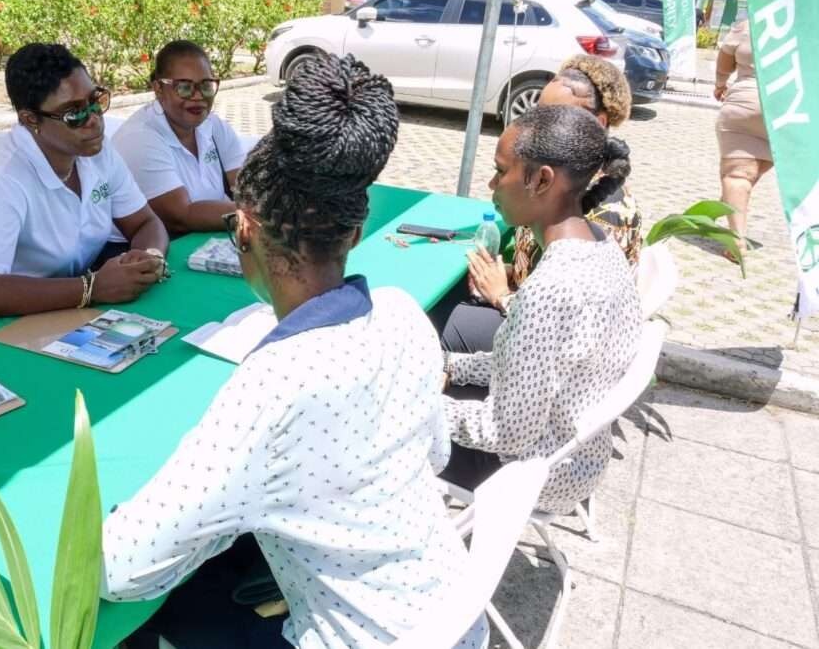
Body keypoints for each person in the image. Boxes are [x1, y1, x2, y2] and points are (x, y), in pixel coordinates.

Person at [103, 53, 486, 649]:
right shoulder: (404, 316)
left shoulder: (274, 386)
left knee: (153, 619)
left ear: (244, 230)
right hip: (457, 622)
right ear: (356, 232)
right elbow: (436, 454)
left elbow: (122, 569)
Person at [439, 105, 643, 516]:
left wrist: (413, 402)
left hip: (532, 475)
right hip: (576, 457)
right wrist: (453, 368)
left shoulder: (549, 289)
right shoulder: (601, 244)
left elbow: (505, 432)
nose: (492, 183)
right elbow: (532, 367)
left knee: (376, 423)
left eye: (501, 171)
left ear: (541, 180)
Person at [432, 54, 641, 355]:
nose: (536, 124)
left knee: (430, 323)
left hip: (536, 336)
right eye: (538, 111)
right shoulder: (559, 193)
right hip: (525, 313)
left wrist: (502, 295)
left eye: (554, 114)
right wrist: (500, 272)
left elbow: (572, 318)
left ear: (597, 123)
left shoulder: (603, 215)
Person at [0, 44, 169, 322]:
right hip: (3, 316)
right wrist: (92, 288)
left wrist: (149, 257)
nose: (93, 120)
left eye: (95, 101)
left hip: (68, 301)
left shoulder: (96, 152)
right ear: (30, 120)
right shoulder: (1, 179)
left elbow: (145, 223)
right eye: (73, 114)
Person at [112, 40, 244, 237]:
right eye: (184, 87)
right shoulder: (140, 138)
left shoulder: (213, 126)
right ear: (158, 89)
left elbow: (246, 187)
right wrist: (260, 217)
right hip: (138, 249)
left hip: (201, 236)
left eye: (206, 86)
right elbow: (180, 216)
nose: (198, 96)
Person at [714, 20, 771, 260]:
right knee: (746, 173)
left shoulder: (750, 23)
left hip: (746, 100)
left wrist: (720, 84)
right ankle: (722, 207)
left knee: (738, 175)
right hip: (791, 108)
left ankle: (737, 240)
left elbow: (726, 58)